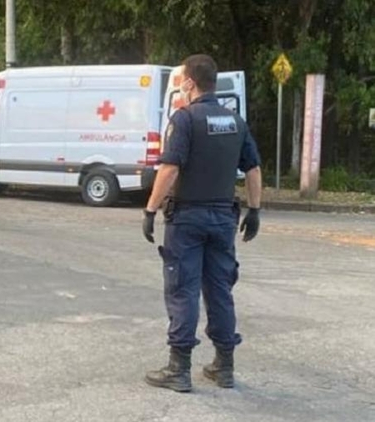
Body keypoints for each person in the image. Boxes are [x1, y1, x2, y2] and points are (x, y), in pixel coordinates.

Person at [141, 54, 262, 393]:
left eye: (181, 80)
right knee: (220, 289)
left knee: (183, 289)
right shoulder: (235, 122)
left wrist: (150, 210)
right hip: (223, 219)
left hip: (188, 218)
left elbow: (170, 168)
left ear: (191, 83)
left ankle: (178, 369)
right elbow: (253, 169)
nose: (180, 86)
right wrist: (255, 210)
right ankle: (224, 367)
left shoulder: (184, 119)